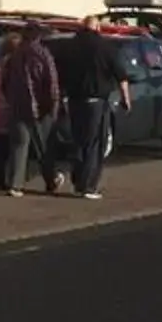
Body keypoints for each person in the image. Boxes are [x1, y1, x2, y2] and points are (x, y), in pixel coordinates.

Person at [45, 21, 127, 201]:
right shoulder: (105, 47)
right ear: (97, 28)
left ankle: (78, 179)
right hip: (97, 101)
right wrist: (125, 99)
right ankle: (88, 185)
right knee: (94, 143)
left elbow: (58, 73)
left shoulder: (70, 47)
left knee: (78, 140)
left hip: (74, 101)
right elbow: (121, 75)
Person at [0, 24, 62, 196]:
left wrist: (12, 99)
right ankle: (50, 181)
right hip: (41, 108)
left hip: (19, 106)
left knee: (19, 146)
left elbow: (5, 82)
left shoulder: (14, 56)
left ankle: (15, 184)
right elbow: (51, 82)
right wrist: (53, 105)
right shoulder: (44, 54)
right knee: (44, 147)